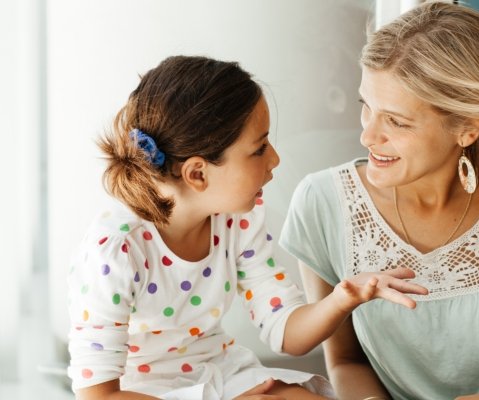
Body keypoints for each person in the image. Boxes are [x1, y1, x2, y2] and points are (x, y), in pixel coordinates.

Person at [280, 2, 479, 400]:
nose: (368, 136)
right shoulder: (322, 203)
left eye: (396, 121)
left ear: (467, 127)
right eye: (367, 107)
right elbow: (346, 361)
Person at [67, 55, 428, 400]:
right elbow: (98, 394)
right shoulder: (116, 251)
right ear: (197, 173)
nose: (275, 159)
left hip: (221, 374)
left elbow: (287, 333)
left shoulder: (236, 219)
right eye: (258, 149)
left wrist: (343, 297)